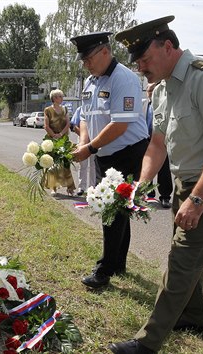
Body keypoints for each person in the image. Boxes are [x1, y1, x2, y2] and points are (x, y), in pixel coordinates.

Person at [107, 16, 203, 354]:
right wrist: (141, 186)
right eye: (138, 62)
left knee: (183, 256)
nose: (141, 67)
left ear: (168, 46)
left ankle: (146, 343)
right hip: (187, 179)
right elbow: (157, 145)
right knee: (191, 251)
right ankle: (194, 316)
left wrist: (198, 200)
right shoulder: (162, 89)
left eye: (145, 59)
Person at [69, 31, 149, 288]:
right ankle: (118, 263)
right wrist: (84, 142)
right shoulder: (92, 80)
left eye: (89, 58)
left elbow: (120, 124)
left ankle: (104, 271)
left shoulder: (123, 79)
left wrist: (90, 148)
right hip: (104, 152)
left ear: (105, 51)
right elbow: (84, 115)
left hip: (127, 152)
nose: (86, 64)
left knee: (111, 210)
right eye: (83, 60)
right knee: (119, 211)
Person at [143, 82, 173, 208]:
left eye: (153, 90)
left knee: (164, 169)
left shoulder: (164, 103)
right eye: (149, 91)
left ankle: (165, 196)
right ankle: (149, 194)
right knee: (146, 167)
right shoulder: (143, 104)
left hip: (161, 141)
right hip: (146, 140)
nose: (151, 93)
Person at [43, 89, 75, 196]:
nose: (62, 98)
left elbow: (67, 124)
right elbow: (46, 125)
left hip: (63, 139)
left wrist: (60, 134)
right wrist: (54, 135)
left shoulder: (64, 109)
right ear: (54, 98)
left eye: (62, 96)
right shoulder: (48, 110)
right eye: (60, 96)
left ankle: (70, 188)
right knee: (53, 164)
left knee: (66, 163)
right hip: (52, 140)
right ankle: (53, 187)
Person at [70, 106, 96, 196]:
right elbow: (74, 126)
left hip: (95, 141)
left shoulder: (96, 108)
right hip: (82, 141)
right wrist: (84, 137)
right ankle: (82, 188)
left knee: (93, 165)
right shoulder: (80, 109)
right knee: (83, 165)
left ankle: (93, 188)